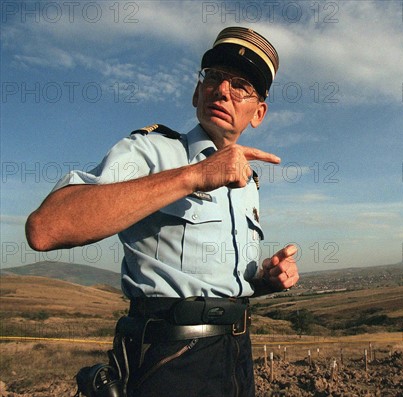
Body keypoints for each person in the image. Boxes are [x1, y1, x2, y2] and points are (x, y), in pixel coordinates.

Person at [26, 26, 299, 397]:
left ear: (258, 112)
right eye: (214, 77)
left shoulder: (248, 183)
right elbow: (46, 228)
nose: (223, 91)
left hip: (236, 355)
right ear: (196, 91)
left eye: (241, 86)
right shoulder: (152, 150)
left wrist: (265, 279)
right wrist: (195, 175)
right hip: (170, 357)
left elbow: (217, 283)